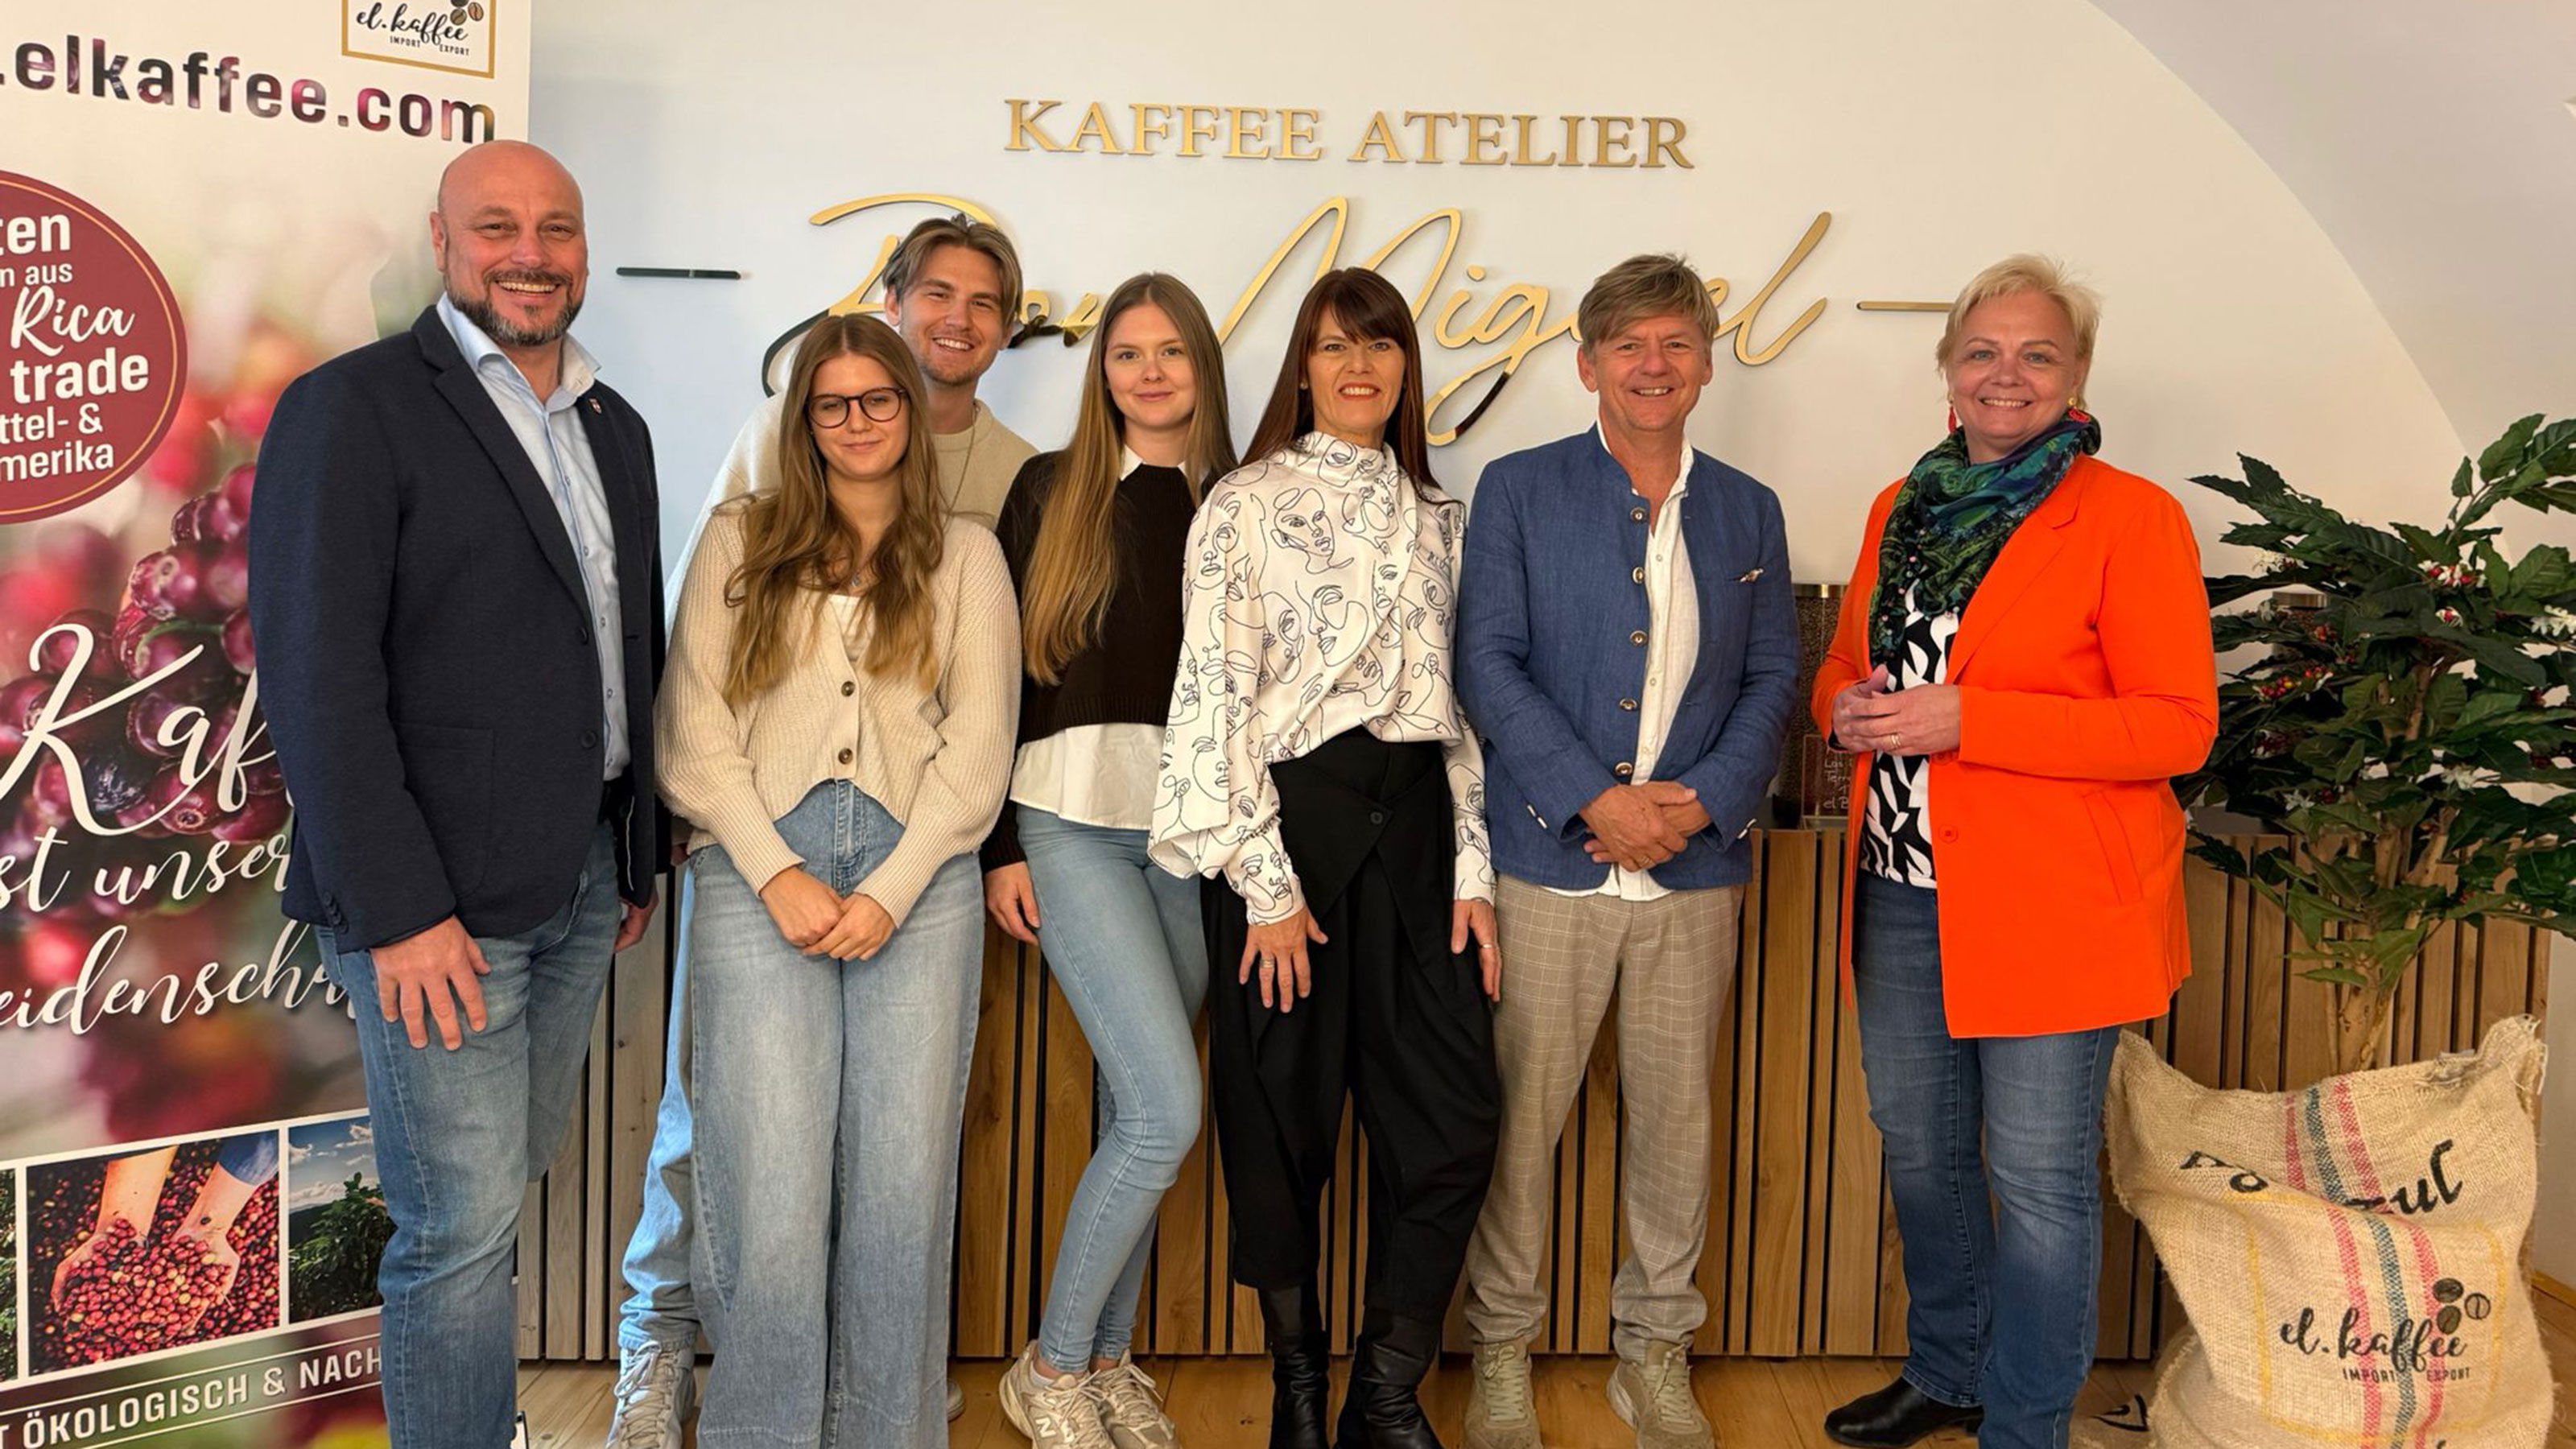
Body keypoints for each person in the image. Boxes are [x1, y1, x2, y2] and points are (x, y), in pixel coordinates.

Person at [247, 138, 663, 1449]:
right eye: (498, 227)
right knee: (455, 1233)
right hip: (438, 904)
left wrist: (636, 848)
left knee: (488, 1203)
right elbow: (317, 678)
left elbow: (623, 646)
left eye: (556, 226)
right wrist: (401, 908)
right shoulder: (353, 407)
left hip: (587, 878)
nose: (530, 252)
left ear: (585, 249)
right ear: (443, 242)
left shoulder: (615, 423)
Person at [612, 212, 1034, 1443]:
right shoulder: (744, 543)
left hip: (923, 880)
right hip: (761, 880)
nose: (857, 422)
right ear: (802, 422)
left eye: (877, 402)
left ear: (912, 407)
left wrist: (891, 889)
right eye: (832, 405)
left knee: (902, 1188)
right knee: (769, 1186)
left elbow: (979, 750)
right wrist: (780, 874)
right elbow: (694, 730)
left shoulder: (966, 558)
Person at [1810, 255, 2215, 1449]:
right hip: (1900, 890)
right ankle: (1949, 1370)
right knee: (1923, 1155)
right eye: (1983, 351)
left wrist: (1969, 721)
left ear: (2078, 376)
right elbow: (1845, 663)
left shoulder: (2132, 517)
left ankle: (2025, 1423)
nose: (2007, 375)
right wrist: (1845, 705)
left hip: (2054, 908)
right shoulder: (1903, 505)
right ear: (1948, 374)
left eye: (2038, 354)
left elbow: (2176, 725)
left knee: (2039, 1184)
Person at [1150, 267, 1501, 1449]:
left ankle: (1386, 1390)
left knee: (1453, 1121)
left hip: (1412, 835)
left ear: (1407, 367)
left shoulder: (1444, 519)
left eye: (1382, 344)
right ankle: (1298, 1390)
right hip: (1283, 837)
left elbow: (1458, 714)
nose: (1360, 364)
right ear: (1301, 366)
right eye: (1335, 344)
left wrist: (1472, 872)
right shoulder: (1243, 503)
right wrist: (1264, 887)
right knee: (1277, 1125)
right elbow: (1212, 703)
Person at [1454, 254, 1798, 1449]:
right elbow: (1486, 664)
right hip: (1549, 863)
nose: (1655, 366)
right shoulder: (1516, 489)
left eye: (1677, 344)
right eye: (1629, 346)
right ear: (1588, 363)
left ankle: (1655, 1352)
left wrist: (1698, 802)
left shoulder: (1749, 507)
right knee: (1522, 1118)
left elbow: (1771, 680)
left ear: (1706, 360)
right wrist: (1594, 802)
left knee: (1677, 1124)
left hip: (1695, 873)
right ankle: (1502, 1347)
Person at [982, 275, 1236, 1449]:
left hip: (1195, 837)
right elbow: (994, 684)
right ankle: (1051, 1365)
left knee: (1144, 1108)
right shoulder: (1051, 490)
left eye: (1171, 351)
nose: (1148, 372)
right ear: (1103, 373)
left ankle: (1106, 1361)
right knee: (1166, 1110)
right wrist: (995, 849)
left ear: (1204, 367)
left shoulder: (1243, 501)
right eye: (1127, 353)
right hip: (1069, 822)